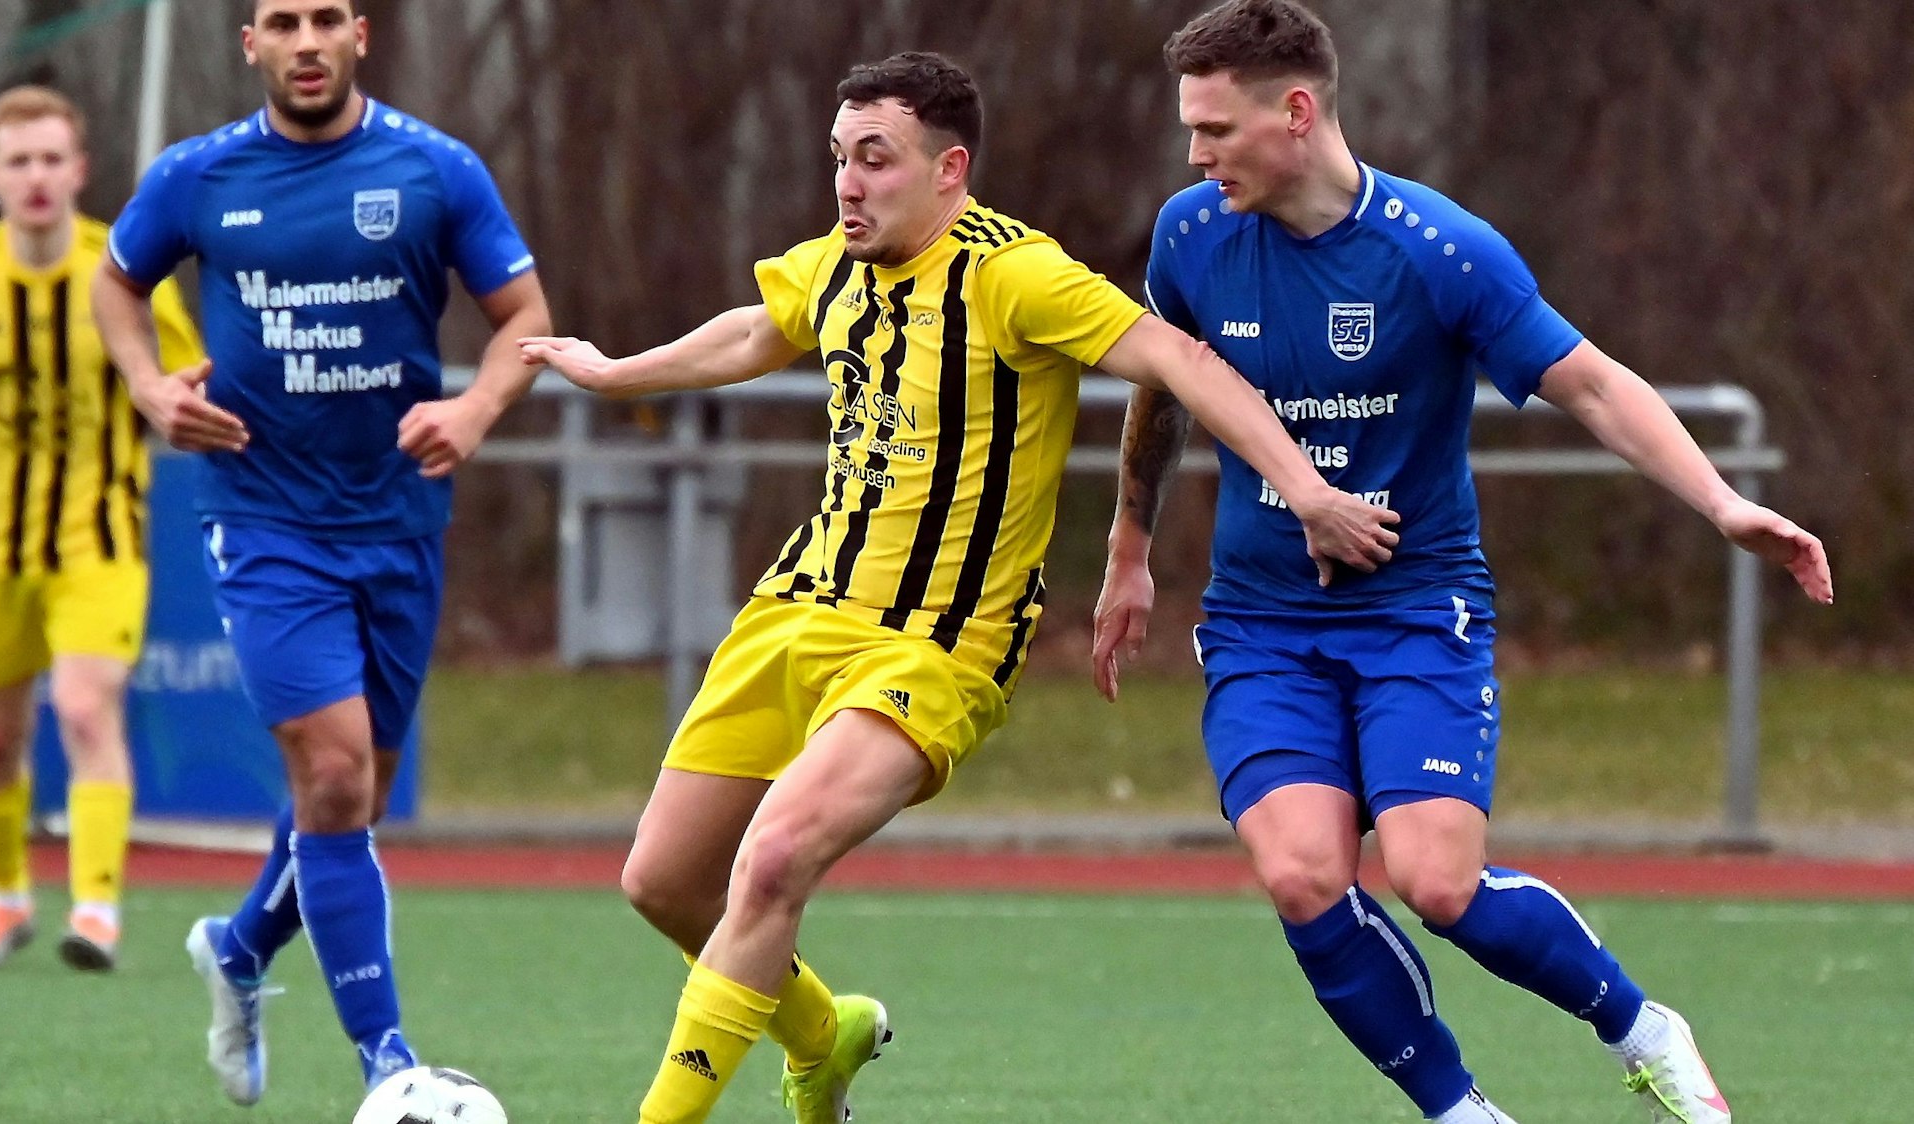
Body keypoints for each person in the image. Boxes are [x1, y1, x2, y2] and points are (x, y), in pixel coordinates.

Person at [521, 50, 1399, 1124]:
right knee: (663, 882)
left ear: (949, 169)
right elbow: (759, 326)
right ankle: (823, 1030)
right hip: (794, 611)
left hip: (932, 646)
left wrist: (1302, 487)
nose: (848, 182)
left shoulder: (1014, 274)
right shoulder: (839, 261)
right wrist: (617, 371)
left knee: (776, 855)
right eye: (839, 158)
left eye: (875, 159)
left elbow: (1185, 361)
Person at [1090, 3, 1834, 1123]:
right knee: (1303, 874)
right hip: (1261, 623)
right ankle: (1460, 1110)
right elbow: (1165, 383)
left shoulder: (1439, 250)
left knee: (1437, 884)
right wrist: (1130, 548)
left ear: (1295, 112)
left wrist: (1726, 504)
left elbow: (1590, 383)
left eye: (1215, 128)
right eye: (1189, 129)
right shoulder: (1192, 235)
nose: (1195, 154)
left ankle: (1640, 1025)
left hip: (1415, 615)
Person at [91, 0, 549, 1104]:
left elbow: (523, 312)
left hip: (397, 522)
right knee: (334, 773)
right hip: (262, 518)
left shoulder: (434, 170)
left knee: (354, 796)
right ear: (249, 42)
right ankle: (387, 1065)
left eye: (326, 18)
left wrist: (477, 410)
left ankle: (243, 944)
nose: (306, 40)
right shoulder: (196, 177)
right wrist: (150, 385)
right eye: (282, 21)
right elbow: (115, 285)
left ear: (361, 35)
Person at [0, 85, 204, 973]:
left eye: (52, 160)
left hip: (100, 541)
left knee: (84, 707)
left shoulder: (120, 272)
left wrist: (194, 402)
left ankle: (98, 910)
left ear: (78, 171)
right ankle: (4, 900)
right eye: (20, 161)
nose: (37, 177)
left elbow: (188, 379)